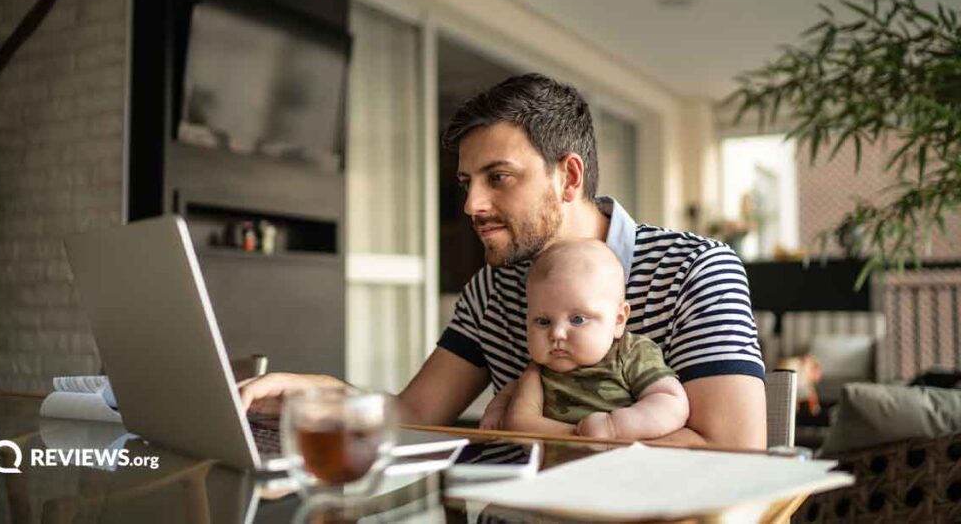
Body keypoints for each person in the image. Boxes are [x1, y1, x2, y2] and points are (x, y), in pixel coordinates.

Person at [240, 73, 767, 449]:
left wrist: (562, 439)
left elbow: (736, 450)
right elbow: (417, 415)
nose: (472, 205)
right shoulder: (490, 292)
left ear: (570, 177)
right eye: (468, 183)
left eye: (499, 177)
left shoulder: (695, 268)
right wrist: (324, 393)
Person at [483, 239, 688, 440]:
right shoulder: (538, 370)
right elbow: (513, 399)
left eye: (578, 319)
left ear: (618, 320)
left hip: (618, 464)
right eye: (543, 321)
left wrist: (614, 427)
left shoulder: (631, 353)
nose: (557, 334)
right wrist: (497, 410)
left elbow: (671, 401)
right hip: (552, 469)